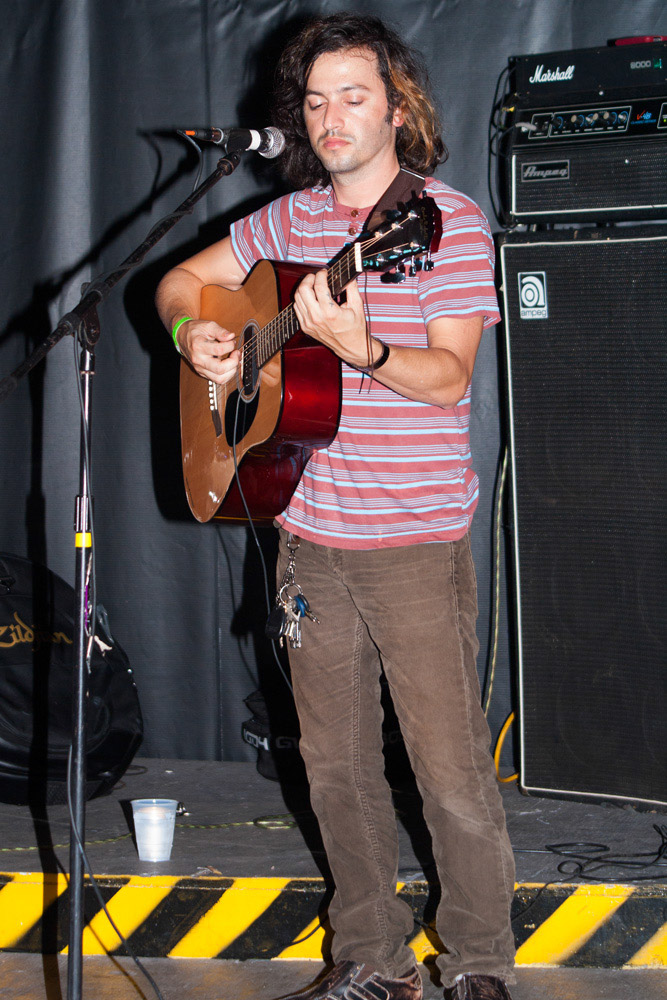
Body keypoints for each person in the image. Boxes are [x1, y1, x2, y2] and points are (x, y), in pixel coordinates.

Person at [156, 12, 516, 1000]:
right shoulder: (289, 222)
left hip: (411, 541)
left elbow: (448, 378)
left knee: (447, 771)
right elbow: (180, 283)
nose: (330, 117)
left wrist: (362, 351)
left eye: (352, 95)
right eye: (314, 101)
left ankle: (479, 961)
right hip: (308, 539)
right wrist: (200, 336)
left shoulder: (440, 221)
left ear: (397, 108)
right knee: (335, 767)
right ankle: (371, 960)